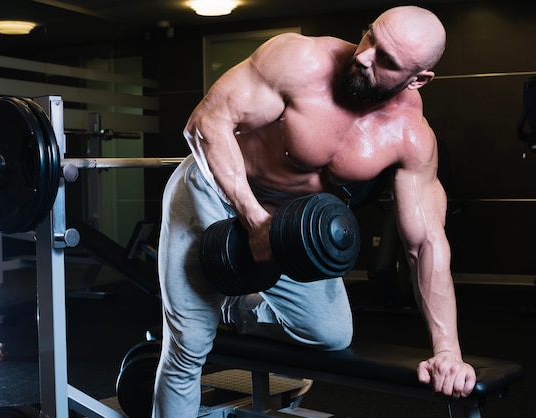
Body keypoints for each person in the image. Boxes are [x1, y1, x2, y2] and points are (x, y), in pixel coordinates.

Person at [153, 5, 476, 417]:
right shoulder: (298, 60)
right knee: (189, 347)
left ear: (418, 79)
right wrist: (253, 220)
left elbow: (426, 243)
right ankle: (202, 312)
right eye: (370, 36)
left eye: (386, 60)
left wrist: (447, 349)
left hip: (288, 222)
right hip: (213, 188)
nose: (364, 55)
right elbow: (205, 124)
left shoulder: (411, 137)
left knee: (330, 335)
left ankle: (235, 305)